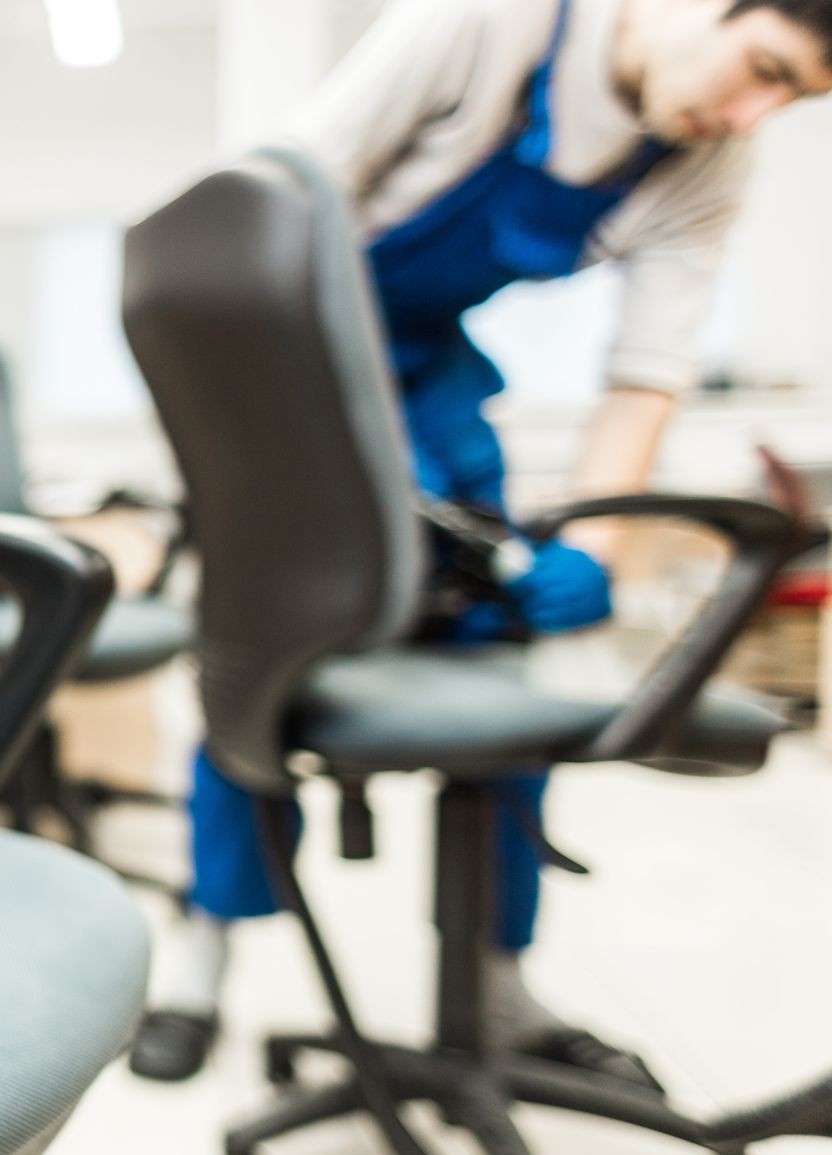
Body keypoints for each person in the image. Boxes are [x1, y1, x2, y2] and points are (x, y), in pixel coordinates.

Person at [132, 0, 832, 1083]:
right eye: (763, 67)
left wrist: (595, 546)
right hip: (300, 346)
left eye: (791, 100)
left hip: (434, 377)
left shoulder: (707, 161)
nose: (751, 114)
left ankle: (500, 986)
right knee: (255, 652)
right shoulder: (490, 21)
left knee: (504, 630)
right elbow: (278, 204)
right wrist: (334, 460)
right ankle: (203, 960)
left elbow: (647, 372)